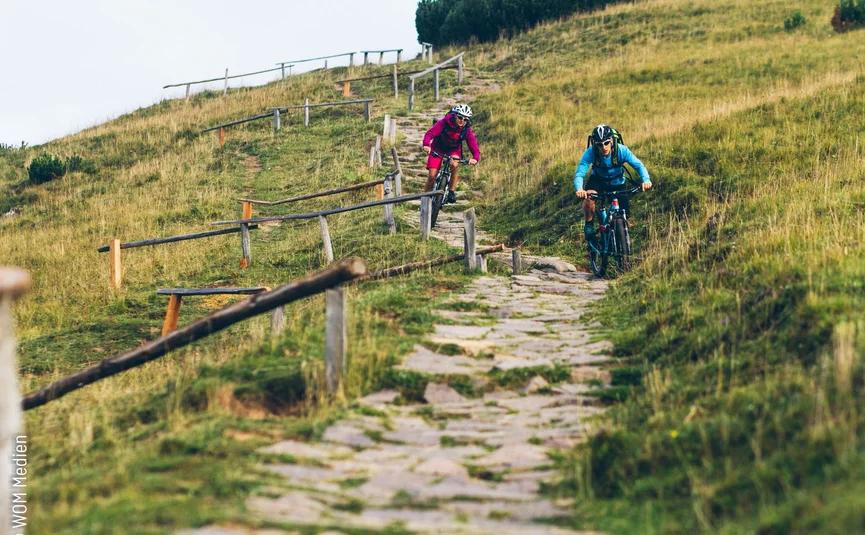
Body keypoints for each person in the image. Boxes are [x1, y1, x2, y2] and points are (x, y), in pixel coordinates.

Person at [574, 124, 652, 241]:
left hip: (617, 180)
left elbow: (639, 166)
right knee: (589, 197)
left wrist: (646, 180)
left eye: (606, 143)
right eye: (599, 145)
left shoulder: (622, 150)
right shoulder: (591, 152)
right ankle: (589, 225)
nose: (603, 147)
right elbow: (580, 172)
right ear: (595, 144)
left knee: (625, 217)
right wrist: (579, 189)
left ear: (611, 140)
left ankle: (621, 242)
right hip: (598, 179)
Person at [422, 104, 480, 204]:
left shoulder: (466, 130)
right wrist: (426, 145)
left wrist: (475, 158)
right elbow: (430, 133)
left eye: (465, 119)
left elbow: (474, 148)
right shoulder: (445, 122)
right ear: (455, 115)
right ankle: (425, 200)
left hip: (453, 149)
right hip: (438, 147)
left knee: (454, 164)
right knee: (432, 176)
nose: (462, 121)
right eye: (460, 117)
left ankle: (451, 192)